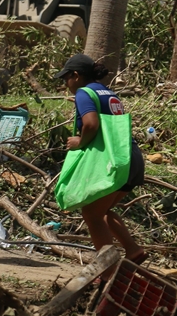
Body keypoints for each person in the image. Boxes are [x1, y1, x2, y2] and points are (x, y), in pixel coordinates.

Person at [55, 54, 147, 274]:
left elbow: (91, 124)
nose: (65, 84)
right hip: (130, 158)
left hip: (112, 162)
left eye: (66, 78)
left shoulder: (83, 93)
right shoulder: (108, 93)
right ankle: (133, 250)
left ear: (76, 76)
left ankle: (108, 270)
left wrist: (79, 142)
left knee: (92, 214)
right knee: (102, 209)